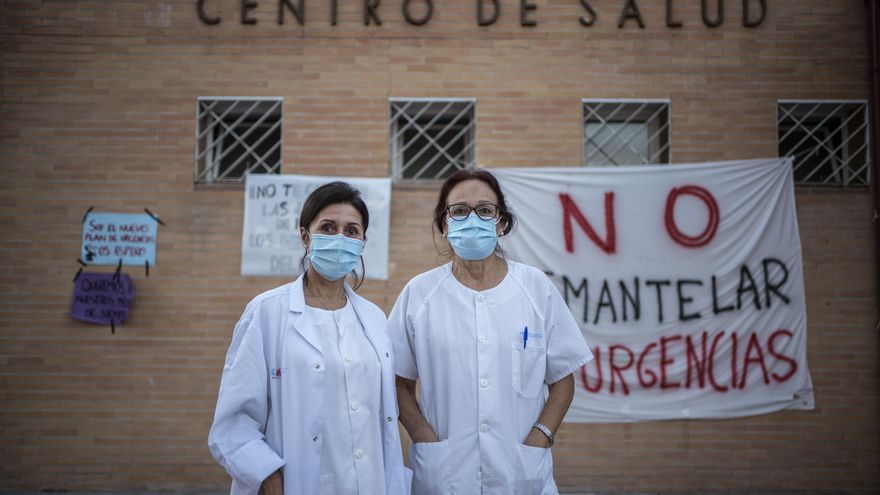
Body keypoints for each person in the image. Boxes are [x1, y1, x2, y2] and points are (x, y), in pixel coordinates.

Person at [388, 169, 593, 495]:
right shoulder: (419, 294)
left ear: (500, 223)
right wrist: (424, 437)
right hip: (445, 473)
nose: (473, 219)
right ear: (445, 224)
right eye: (459, 211)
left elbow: (562, 378)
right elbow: (398, 381)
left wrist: (540, 436)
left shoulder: (535, 288)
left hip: (521, 470)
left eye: (485, 210)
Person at [209, 181, 411, 495]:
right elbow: (233, 423)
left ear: (361, 242)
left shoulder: (373, 318)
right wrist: (266, 476)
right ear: (306, 236)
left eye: (352, 230)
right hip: (299, 485)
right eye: (328, 228)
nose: (340, 238)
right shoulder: (266, 313)